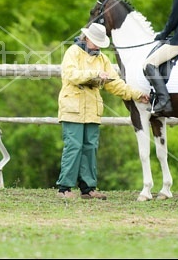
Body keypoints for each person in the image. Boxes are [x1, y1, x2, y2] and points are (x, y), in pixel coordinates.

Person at [56, 23, 150, 200]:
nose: (98, 45)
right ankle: (64, 188)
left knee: (90, 148)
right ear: (87, 38)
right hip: (72, 108)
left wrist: (137, 94)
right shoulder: (73, 52)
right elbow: (71, 75)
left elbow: (114, 84)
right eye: (96, 41)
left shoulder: (102, 59)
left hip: (92, 110)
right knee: (74, 147)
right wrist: (95, 75)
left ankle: (88, 189)